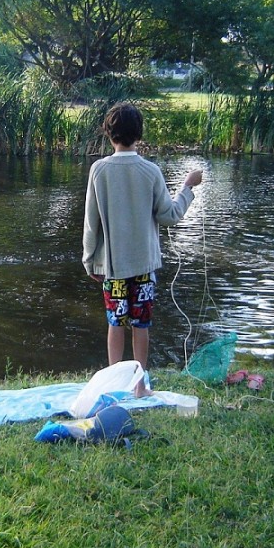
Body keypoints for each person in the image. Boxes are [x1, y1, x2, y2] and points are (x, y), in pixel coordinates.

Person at [82, 102, 203, 396]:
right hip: (144, 267)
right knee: (141, 324)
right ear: (139, 135)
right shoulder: (151, 171)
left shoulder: (99, 170)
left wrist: (89, 261)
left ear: (108, 134)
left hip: (112, 266)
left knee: (115, 323)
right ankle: (139, 387)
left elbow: (91, 221)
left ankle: (113, 385)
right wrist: (188, 187)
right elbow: (170, 216)